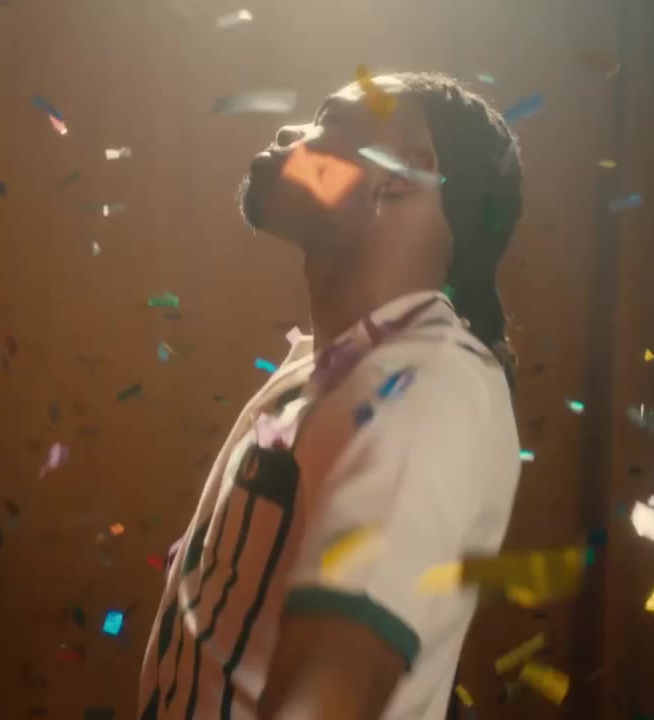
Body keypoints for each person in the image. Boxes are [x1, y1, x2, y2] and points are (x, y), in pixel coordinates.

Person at [139, 71, 524, 720]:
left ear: (402, 174)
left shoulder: (426, 386)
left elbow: (341, 672)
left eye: (329, 121)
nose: (287, 132)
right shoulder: (327, 364)